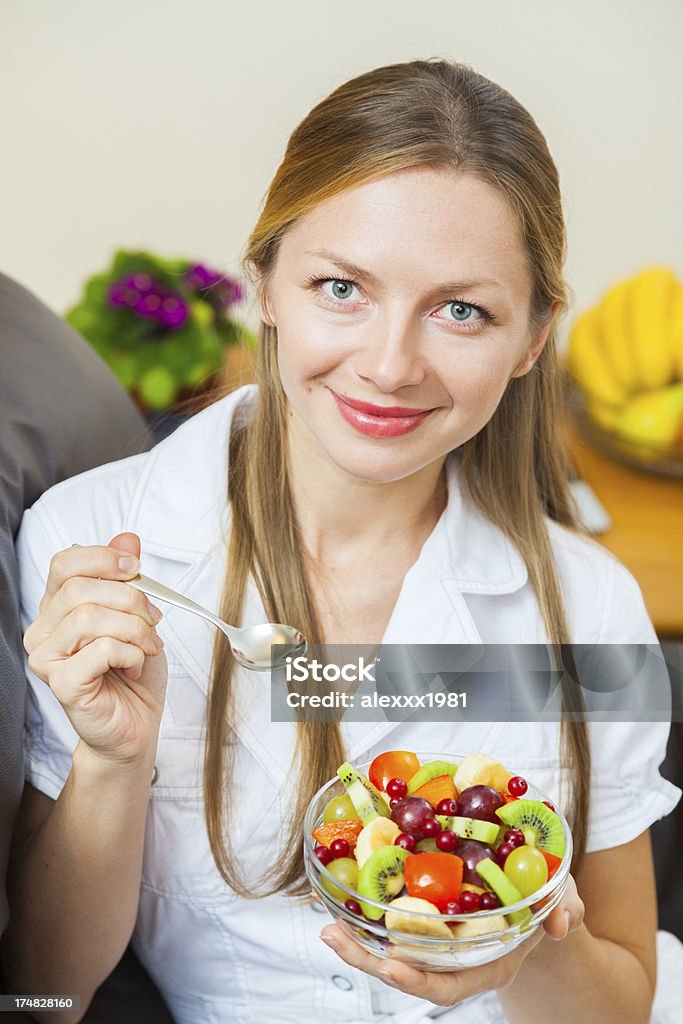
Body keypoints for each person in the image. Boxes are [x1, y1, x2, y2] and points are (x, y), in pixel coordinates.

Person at [2, 58, 681, 1024]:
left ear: (531, 339)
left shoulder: (592, 607)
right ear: (265, 285)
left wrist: (516, 947)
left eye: (460, 310)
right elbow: (41, 999)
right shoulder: (91, 549)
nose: (389, 365)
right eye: (339, 287)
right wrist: (112, 762)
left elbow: (619, 1007)